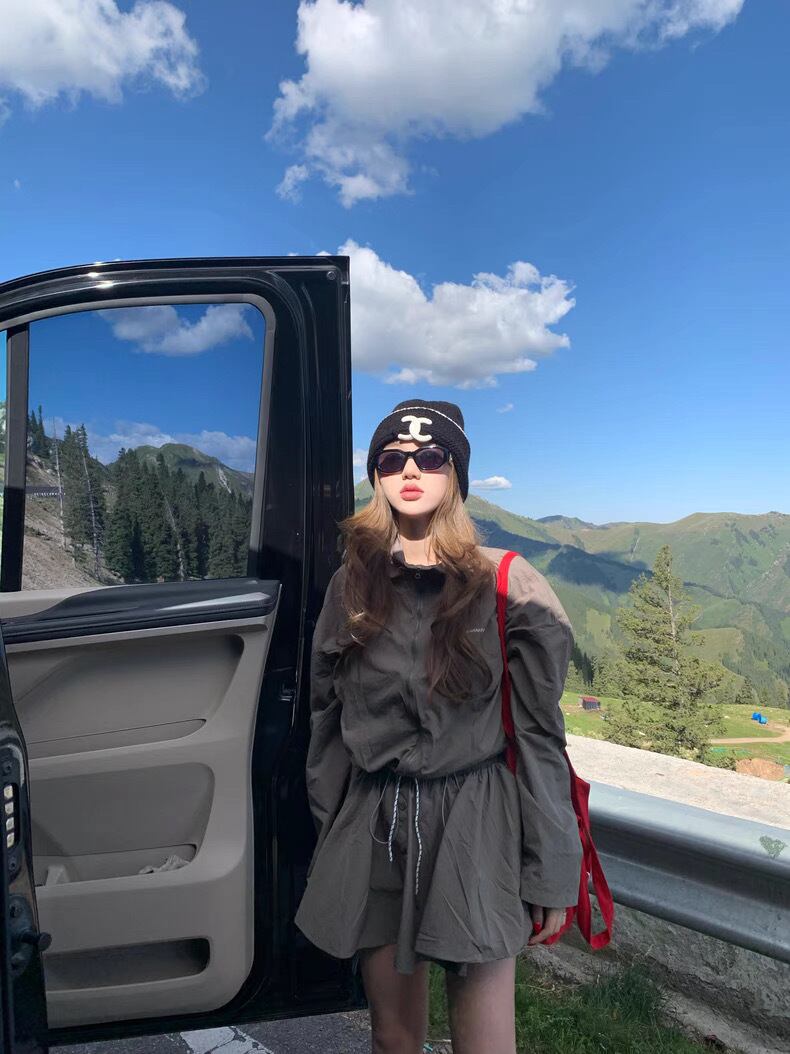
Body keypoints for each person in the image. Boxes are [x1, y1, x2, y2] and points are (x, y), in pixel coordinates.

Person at [295, 399, 582, 1054]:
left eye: (431, 457)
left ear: (456, 474)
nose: (410, 470)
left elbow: (539, 734)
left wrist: (551, 870)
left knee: (483, 1044)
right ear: (375, 476)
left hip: (476, 821)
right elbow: (327, 719)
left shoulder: (508, 584)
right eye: (391, 459)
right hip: (374, 820)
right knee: (393, 1038)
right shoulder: (351, 586)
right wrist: (331, 832)